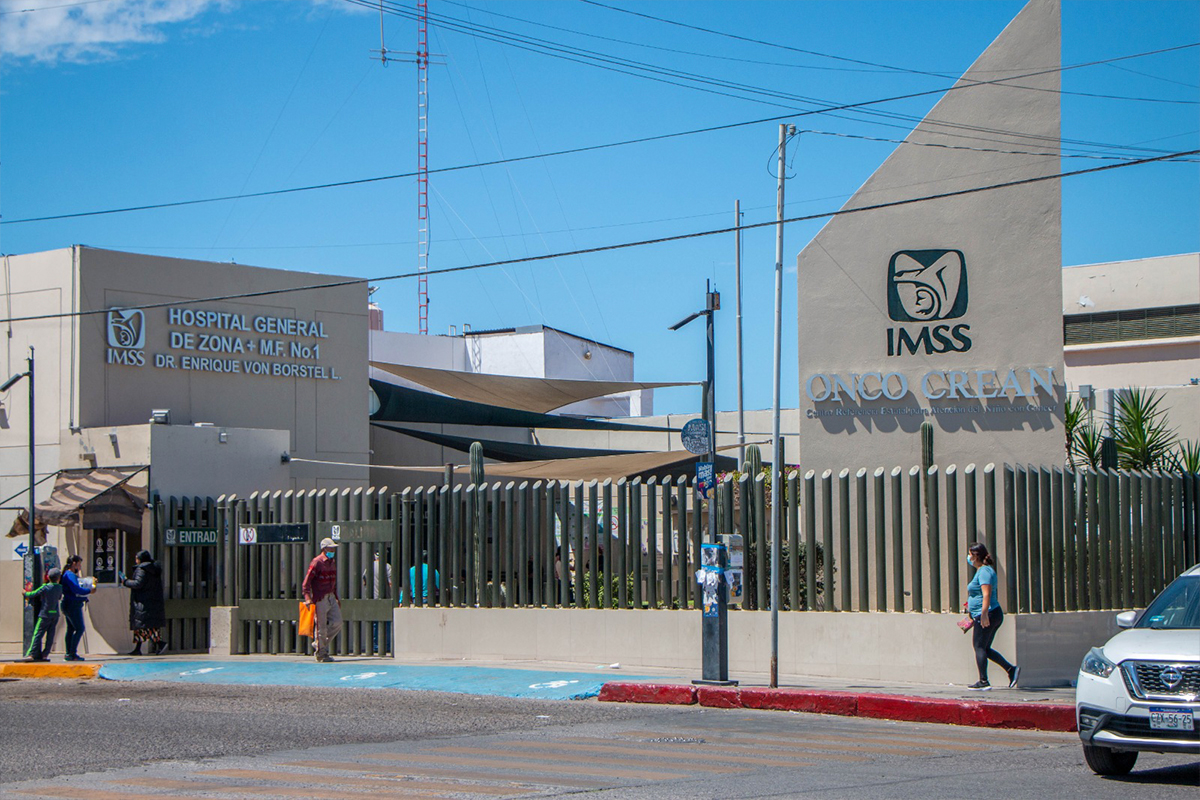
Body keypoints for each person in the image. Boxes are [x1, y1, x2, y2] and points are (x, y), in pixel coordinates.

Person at [963, 542, 1019, 690]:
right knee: (985, 648)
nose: (968, 557)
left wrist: (984, 614)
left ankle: (983, 681)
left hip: (989, 614)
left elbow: (986, 594)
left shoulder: (984, 572)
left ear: (976, 556)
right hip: (986, 613)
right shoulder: (982, 571)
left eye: (970, 554)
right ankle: (1011, 670)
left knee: (979, 646)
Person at [302, 537, 341, 662]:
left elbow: (333, 582)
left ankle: (319, 643)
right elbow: (306, 583)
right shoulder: (317, 562)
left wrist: (336, 597)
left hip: (330, 596)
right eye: (331, 548)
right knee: (321, 627)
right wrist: (308, 598)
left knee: (337, 622)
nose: (333, 550)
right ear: (324, 549)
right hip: (320, 598)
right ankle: (321, 653)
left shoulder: (332, 562)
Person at [122, 550, 166, 655]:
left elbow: (138, 583)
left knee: (145, 626)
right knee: (143, 626)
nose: (135, 560)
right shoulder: (153, 569)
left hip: (143, 601)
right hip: (152, 601)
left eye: (137, 558)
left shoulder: (142, 569)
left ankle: (160, 643)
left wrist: (126, 582)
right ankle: (138, 648)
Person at [23, 568, 63, 661]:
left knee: (38, 634)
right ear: (58, 578)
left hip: (45, 614)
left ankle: (32, 654)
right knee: (50, 635)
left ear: (48, 577)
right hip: (55, 614)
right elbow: (59, 597)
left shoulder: (45, 587)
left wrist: (25, 593)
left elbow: (33, 593)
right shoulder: (59, 588)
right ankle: (45, 654)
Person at [61, 555, 93, 661]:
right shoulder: (70, 575)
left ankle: (68, 653)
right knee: (79, 628)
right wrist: (89, 591)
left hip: (68, 604)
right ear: (74, 564)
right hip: (72, 605)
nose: (79, 567)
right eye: (79, 564)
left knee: (71, 629)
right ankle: (72, 653)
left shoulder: (68, 574)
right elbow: (76, 589)